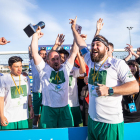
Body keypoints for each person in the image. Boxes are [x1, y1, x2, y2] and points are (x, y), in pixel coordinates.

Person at [69, 16, 139, 140]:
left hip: (110, 123)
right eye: (93, 44)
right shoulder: (90, 61)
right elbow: (80, 44)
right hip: (93, 120)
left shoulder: (117, 64)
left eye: (98, 44)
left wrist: (110, 90)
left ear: (107, 49)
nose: (94, 47)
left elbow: (134, 86)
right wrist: (73, 28)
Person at [31, 27, 79, 128]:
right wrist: (35, 35)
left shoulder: (66, 68)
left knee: (66, 134)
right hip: (49, 109)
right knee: (47, 135)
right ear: (47, 61)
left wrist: (76, 33)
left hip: (65, 108)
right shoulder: (44, 69)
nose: (56, 61)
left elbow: (74, 52)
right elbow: (35, 53)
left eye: (57, 59)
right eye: (53, 59)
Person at [0, 56, 34, 130]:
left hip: (23, 117)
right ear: (9, 67)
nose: (19, 69)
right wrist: (1, 116)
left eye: (21, 66)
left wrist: (31, 108)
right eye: (16, 66)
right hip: (9, 117)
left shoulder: (25, 78)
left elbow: (28, 95)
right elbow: (1, 99)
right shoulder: (3, 79)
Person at [68, 41, 86, 127]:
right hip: (63, 104)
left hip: (82, 85)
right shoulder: (60, 68)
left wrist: (78, 54)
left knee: (76, 125)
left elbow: (83, 71)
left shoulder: (74, 68)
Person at [30, 47, 47, 129]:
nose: (44, 55)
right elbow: (33, 53)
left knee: (45, 115)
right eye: (41, 54)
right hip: (37, 92)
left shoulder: (48, 63)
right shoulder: (34, 61)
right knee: (36, 115)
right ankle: (34, 130)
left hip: (46, 93)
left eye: (45, 54)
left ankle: (44, 131)